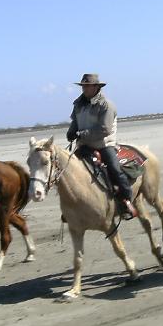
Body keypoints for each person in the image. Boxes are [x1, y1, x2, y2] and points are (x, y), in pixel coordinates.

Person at [66, 73, 138, 219]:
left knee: (114, 168)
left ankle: (126, 200)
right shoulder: (78, 104)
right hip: (84, 145)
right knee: (67, 170)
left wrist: (82, 133)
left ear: (96, 87)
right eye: (83, 86)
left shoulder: (106, 105)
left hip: (104, 144)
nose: (84, 89)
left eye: (87, 86)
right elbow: (75, 122)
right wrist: (71, 132)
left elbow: (104, 129)